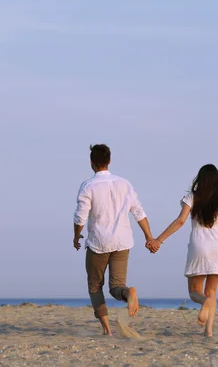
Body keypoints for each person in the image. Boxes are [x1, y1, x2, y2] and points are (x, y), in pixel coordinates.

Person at [73, 144, 155, 336]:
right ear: (109, 161)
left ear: (91, 163)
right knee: (117, 286)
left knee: (95, 285)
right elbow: (139, 212)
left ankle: (107, 330)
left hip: (98, 243)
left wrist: (76, 236)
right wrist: (149, 237)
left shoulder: (88, 186)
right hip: (122, 241)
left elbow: (80, 217)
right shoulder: (125, 184)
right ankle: (128, 294)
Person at [148, 164, 218, 337]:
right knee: (212, 291)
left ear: (199, 179)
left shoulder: (193, 197)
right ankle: (208, 331)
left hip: (200, 245)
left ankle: (205, 302)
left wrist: (159, 239)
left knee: (195, 291)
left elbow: (180, 221)